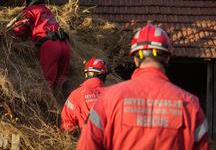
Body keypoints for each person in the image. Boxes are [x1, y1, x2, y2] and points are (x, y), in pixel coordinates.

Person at [77, 24, 209, 150]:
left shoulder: (108, 99)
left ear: (135, 59)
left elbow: (87, 145)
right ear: (167, 58)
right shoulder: (190, 105)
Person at [12, 0, 71, 90]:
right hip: (64, 44)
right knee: (61, 79)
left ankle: (48, 105)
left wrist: (11, 36)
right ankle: (63, 98)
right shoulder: (47, 10)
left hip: (50, 46)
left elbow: (19, 29)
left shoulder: (29, 11)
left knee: (47, 82)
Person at [61, 57, 109, 132]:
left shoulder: (75, 95)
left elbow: (67, 124)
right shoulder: (112, 94)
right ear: (103, 75)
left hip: (86, 140)